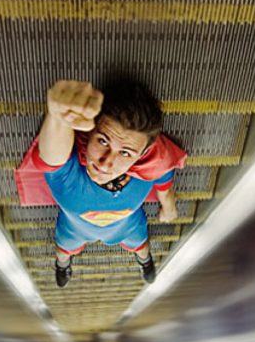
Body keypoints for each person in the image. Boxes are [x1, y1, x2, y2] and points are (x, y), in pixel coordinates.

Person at [30, 76, 185, 288]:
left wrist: (169, 207)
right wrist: (58, 118)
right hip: (73, 231)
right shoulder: (69, 173)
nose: (106, 162)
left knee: (142, 247)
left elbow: (164, 181)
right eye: (102, 141)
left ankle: (145, 262)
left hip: (129, 228)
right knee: (63, 252)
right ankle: (62, 266)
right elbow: (53, 156)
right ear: (89, 133)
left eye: (125, 153)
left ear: (143, 155)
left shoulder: (152, 166)